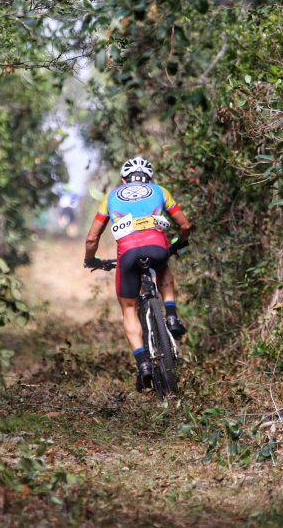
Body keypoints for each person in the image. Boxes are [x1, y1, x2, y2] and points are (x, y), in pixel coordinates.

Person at [83, 156, 192, 390]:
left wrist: (90, 259)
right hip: (157, 247)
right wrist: (179, 242)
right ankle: (171, 316)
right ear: (149, 179)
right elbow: (185, 226)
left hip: (128, 254)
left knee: (130, 308)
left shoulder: (111, 196)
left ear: (124, 180)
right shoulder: (160, 191)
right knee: (162, 265)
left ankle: (143, 363)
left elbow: (92, 237)